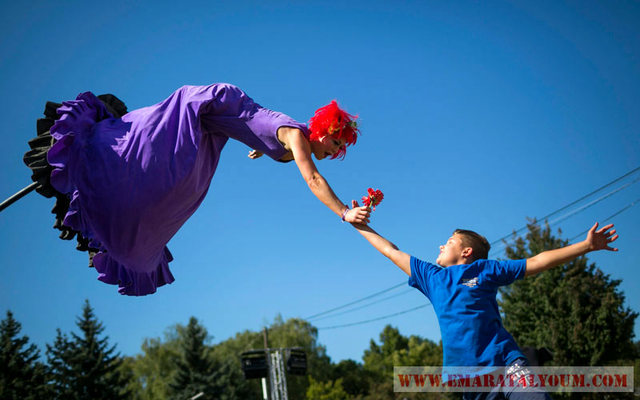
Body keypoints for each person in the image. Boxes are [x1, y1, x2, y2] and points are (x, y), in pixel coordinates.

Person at [23, 83, 371, 296]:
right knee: (156, 165)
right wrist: (344, 212)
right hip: (208, 105)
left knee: (176, 190)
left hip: (217, 126)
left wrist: (259, 146)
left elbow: (259, 128)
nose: (334, 154)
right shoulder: (297, 138)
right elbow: (312, 179)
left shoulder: (293, 139)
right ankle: (97, 158)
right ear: (324, 133)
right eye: (336, 145)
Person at [350, 201, 619, 400]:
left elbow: (536, 261)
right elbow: (389, 250)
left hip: (506, 364)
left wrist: (586, 246)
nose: (441, 246)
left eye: (449, 241)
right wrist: (356, 222)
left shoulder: (486, 270)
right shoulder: (431, 277)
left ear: (466, 252)